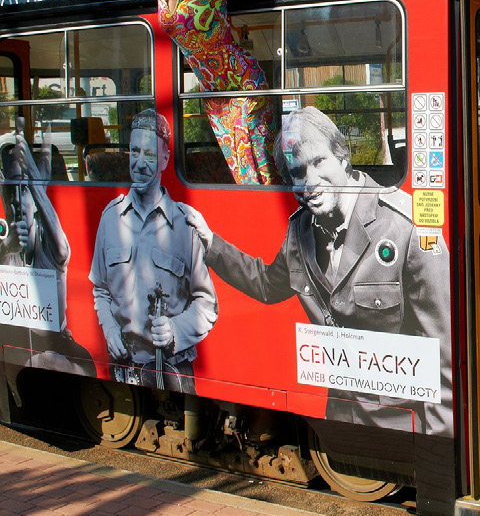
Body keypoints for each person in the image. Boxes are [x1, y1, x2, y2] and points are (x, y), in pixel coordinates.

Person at [181, 107, 452, 436]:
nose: (309, 182)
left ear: (343, 158)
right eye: (297, 172)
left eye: (318, 162)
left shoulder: (405, 229)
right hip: (339, 419)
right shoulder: (301, 231)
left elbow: (442, 359)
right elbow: (267, 285)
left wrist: (437, 453)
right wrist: (212, 245)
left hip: (399, 428)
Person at [111, 0, 349, 185]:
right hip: (214, 96)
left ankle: (278, 222)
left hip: (244, 83)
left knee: (255, 167)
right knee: (241, 171)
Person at [90, 110, 217, 392]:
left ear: (164, 159)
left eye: (149, 154)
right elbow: (99, 289)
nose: (139, 163)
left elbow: (206, 302)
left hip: (173, 370)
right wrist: (110, 329)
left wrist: (176, 330)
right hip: (124, 367)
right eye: (134, 151)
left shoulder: (186, 224)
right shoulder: (110, 218)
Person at [0, 133, 94, 376]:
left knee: (50, 362)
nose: (17, 201)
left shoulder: (51, 245)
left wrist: (33, 177)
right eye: (11, 191)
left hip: (57, 344)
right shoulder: (8, 241)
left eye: (24, 188)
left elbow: (59, 240)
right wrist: (7, 247)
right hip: (18, 341)